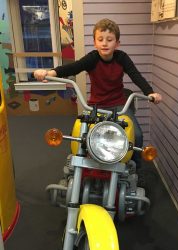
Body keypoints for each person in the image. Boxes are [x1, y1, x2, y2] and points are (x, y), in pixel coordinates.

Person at [34, 18, 162, 171]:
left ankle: (135, 168)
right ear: (95, 43)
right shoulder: (93, 58)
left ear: (117, 43)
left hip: (119, 105)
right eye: (100, 39)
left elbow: (136, 76)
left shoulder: (122, 58)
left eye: (109, 40)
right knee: (77, 133)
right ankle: (77, 168)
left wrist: (150, 93)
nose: (104, 43)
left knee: (138, 135)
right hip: (96, 105)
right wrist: (49, 72)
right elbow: (73, 68)